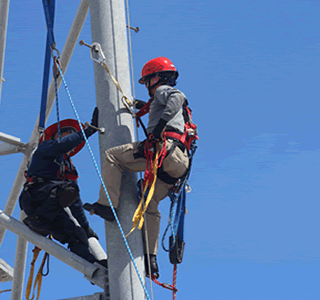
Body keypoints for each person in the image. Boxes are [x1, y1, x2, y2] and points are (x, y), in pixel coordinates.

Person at [84, 57, 196, 277]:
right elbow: (161, 106)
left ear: (157, 77)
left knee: (113, 156)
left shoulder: (165, 91)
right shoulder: (163, 104)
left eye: (147, 81)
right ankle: (151, 258)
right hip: (179, 164)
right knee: (149, 202)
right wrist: (140, 106)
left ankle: (107, 205)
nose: (147, 86)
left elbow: (177, 97)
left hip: (164, 151)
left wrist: (159, 128)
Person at [19, 107, 106, 266]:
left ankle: (94, 265)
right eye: (68, 136)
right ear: (56, 137)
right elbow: (62, 145)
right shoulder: (45, 148)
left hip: (52, 204)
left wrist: (86, 228)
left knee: (76, 234)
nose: (71, 140)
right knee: (67, 190)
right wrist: (89, 131)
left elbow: (75, 202)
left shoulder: (68, 168)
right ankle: (37, 220)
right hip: (35, 196)